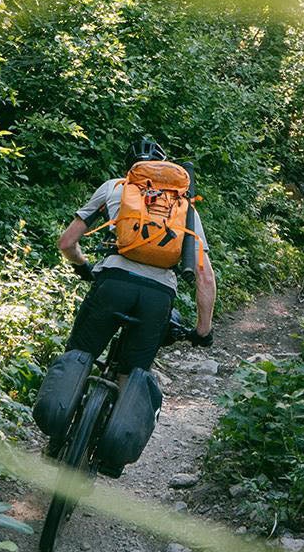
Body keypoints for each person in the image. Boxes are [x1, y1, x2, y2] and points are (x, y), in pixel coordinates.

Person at [56, 137, 216, 380]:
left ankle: (65, 406)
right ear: (163, 168)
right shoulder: (184, 207)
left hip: (113, 283)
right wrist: (203, 330)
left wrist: (82, 266)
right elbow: (204, 276)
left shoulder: (114, 187)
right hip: (158, 296)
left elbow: (67, 243)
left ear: (130, 168)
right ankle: (120, 406)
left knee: (79, 356)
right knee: (130, 376)